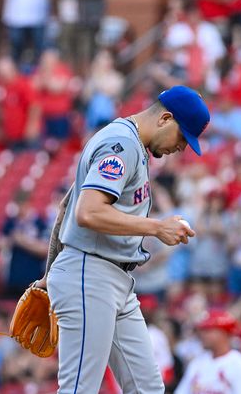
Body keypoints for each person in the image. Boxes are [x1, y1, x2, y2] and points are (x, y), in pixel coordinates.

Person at [40, 85, 207, 394]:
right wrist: (156, 228)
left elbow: (67, 206)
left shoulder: (133, 146)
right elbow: (87, 212)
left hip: (111, 279)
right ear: (165, 118)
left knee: (148, 389)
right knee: (80, 389)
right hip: (90, 274)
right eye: (183, 137)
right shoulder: (122, 144)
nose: (182, 148)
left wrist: (49, 274)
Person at [174, 310, 241, 394]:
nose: (202, 335)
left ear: (224, 333)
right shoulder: (197, 363)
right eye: (202, 330)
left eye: (208, 330)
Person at [1, 190, 49, 296]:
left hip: (32, 276)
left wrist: (22, 241)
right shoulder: (11, 222)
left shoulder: (39, 222)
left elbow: (45, 249)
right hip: (13, 277)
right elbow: (1, 244)